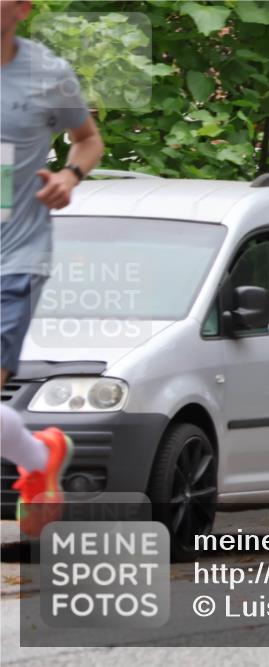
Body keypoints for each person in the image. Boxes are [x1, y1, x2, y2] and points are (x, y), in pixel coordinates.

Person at [1, 0, 104, 536]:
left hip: (14, 258)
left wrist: (69, 176)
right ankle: (39, 456)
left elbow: (88, 140)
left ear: (22, 8)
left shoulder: (47, 74)